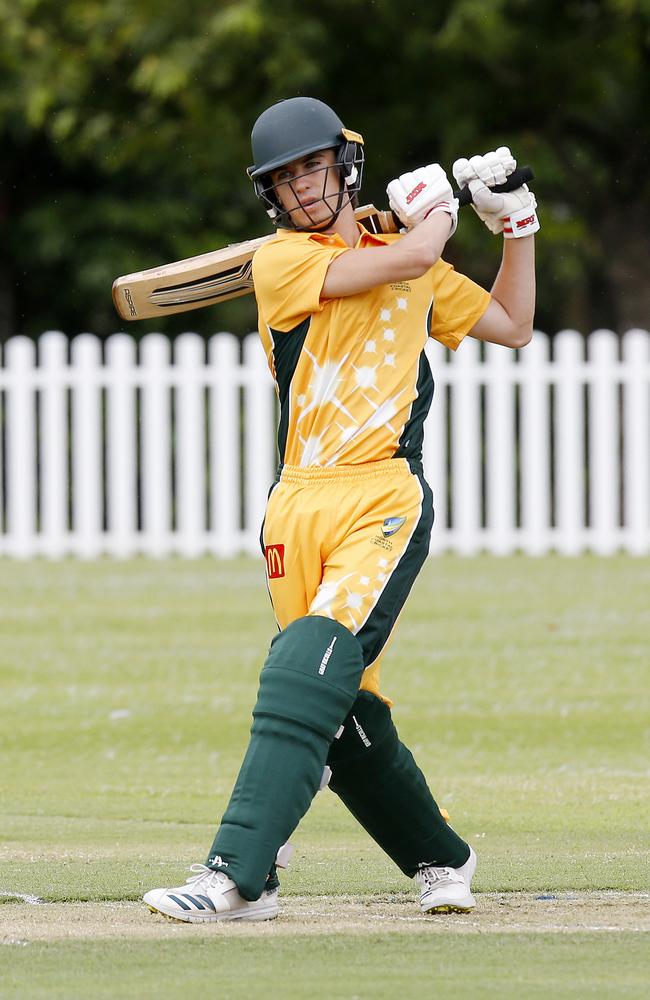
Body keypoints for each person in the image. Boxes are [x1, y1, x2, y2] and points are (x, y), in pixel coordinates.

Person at [143, 97, 537, 923]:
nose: (303, 189)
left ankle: (238, 873)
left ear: (343, 166)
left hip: (385, 495)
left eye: (313, 168)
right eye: (284, 180)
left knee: (301, 671)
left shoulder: (415, 261)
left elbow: (513, 324)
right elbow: (395, 264)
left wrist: (516, 226)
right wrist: (435, 217)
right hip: (297, 503)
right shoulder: (283, 265)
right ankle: (443, 858)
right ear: (271, 198)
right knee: (336, 702)